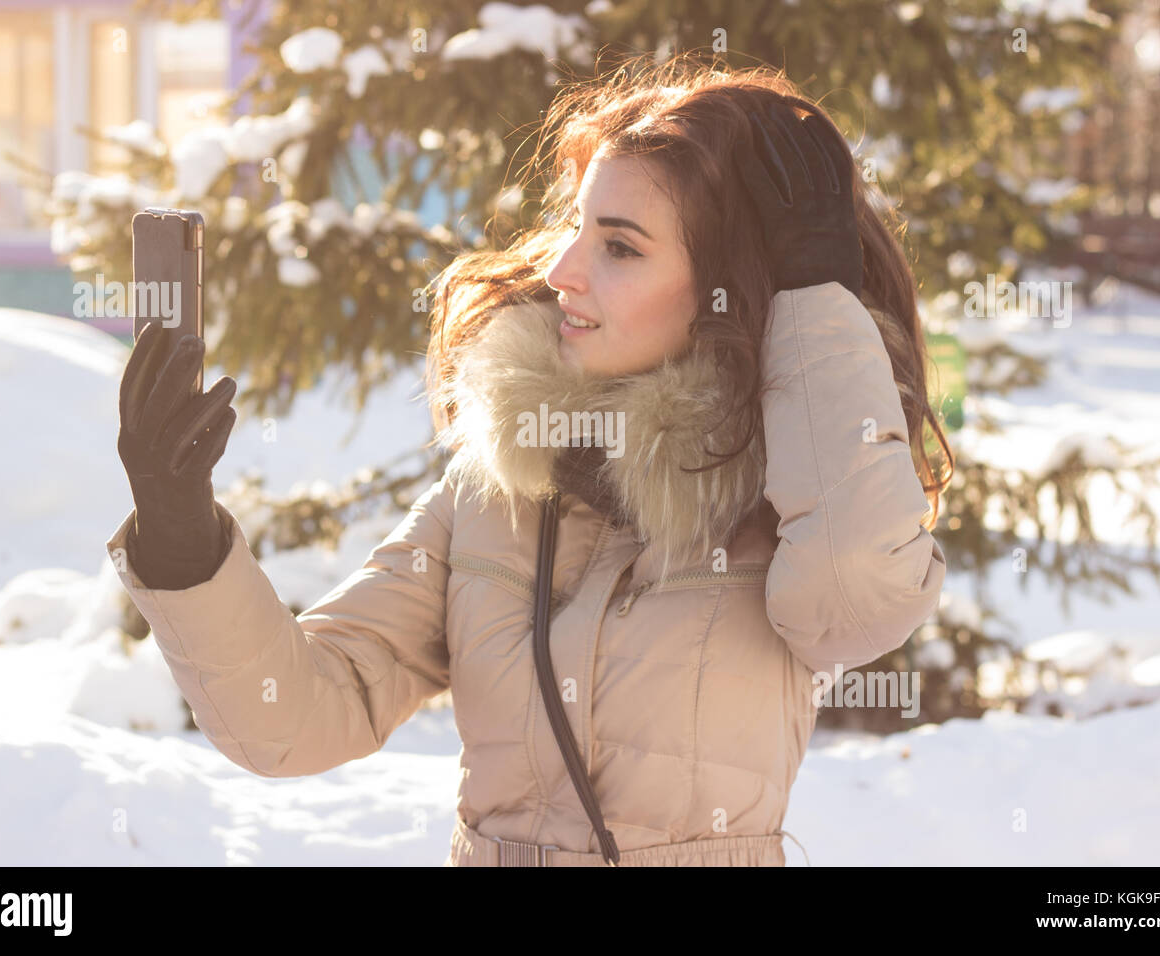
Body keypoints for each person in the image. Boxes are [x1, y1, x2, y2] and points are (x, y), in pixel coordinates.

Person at [107, 60, 951, 867]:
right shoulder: (494, 488)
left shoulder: (791, 494)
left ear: (728, 284)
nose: (560, 270)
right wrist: (181, 535)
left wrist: (813, 304)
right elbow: (292, 719)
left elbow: (851, 603)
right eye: (577, 226)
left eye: (619, 247)